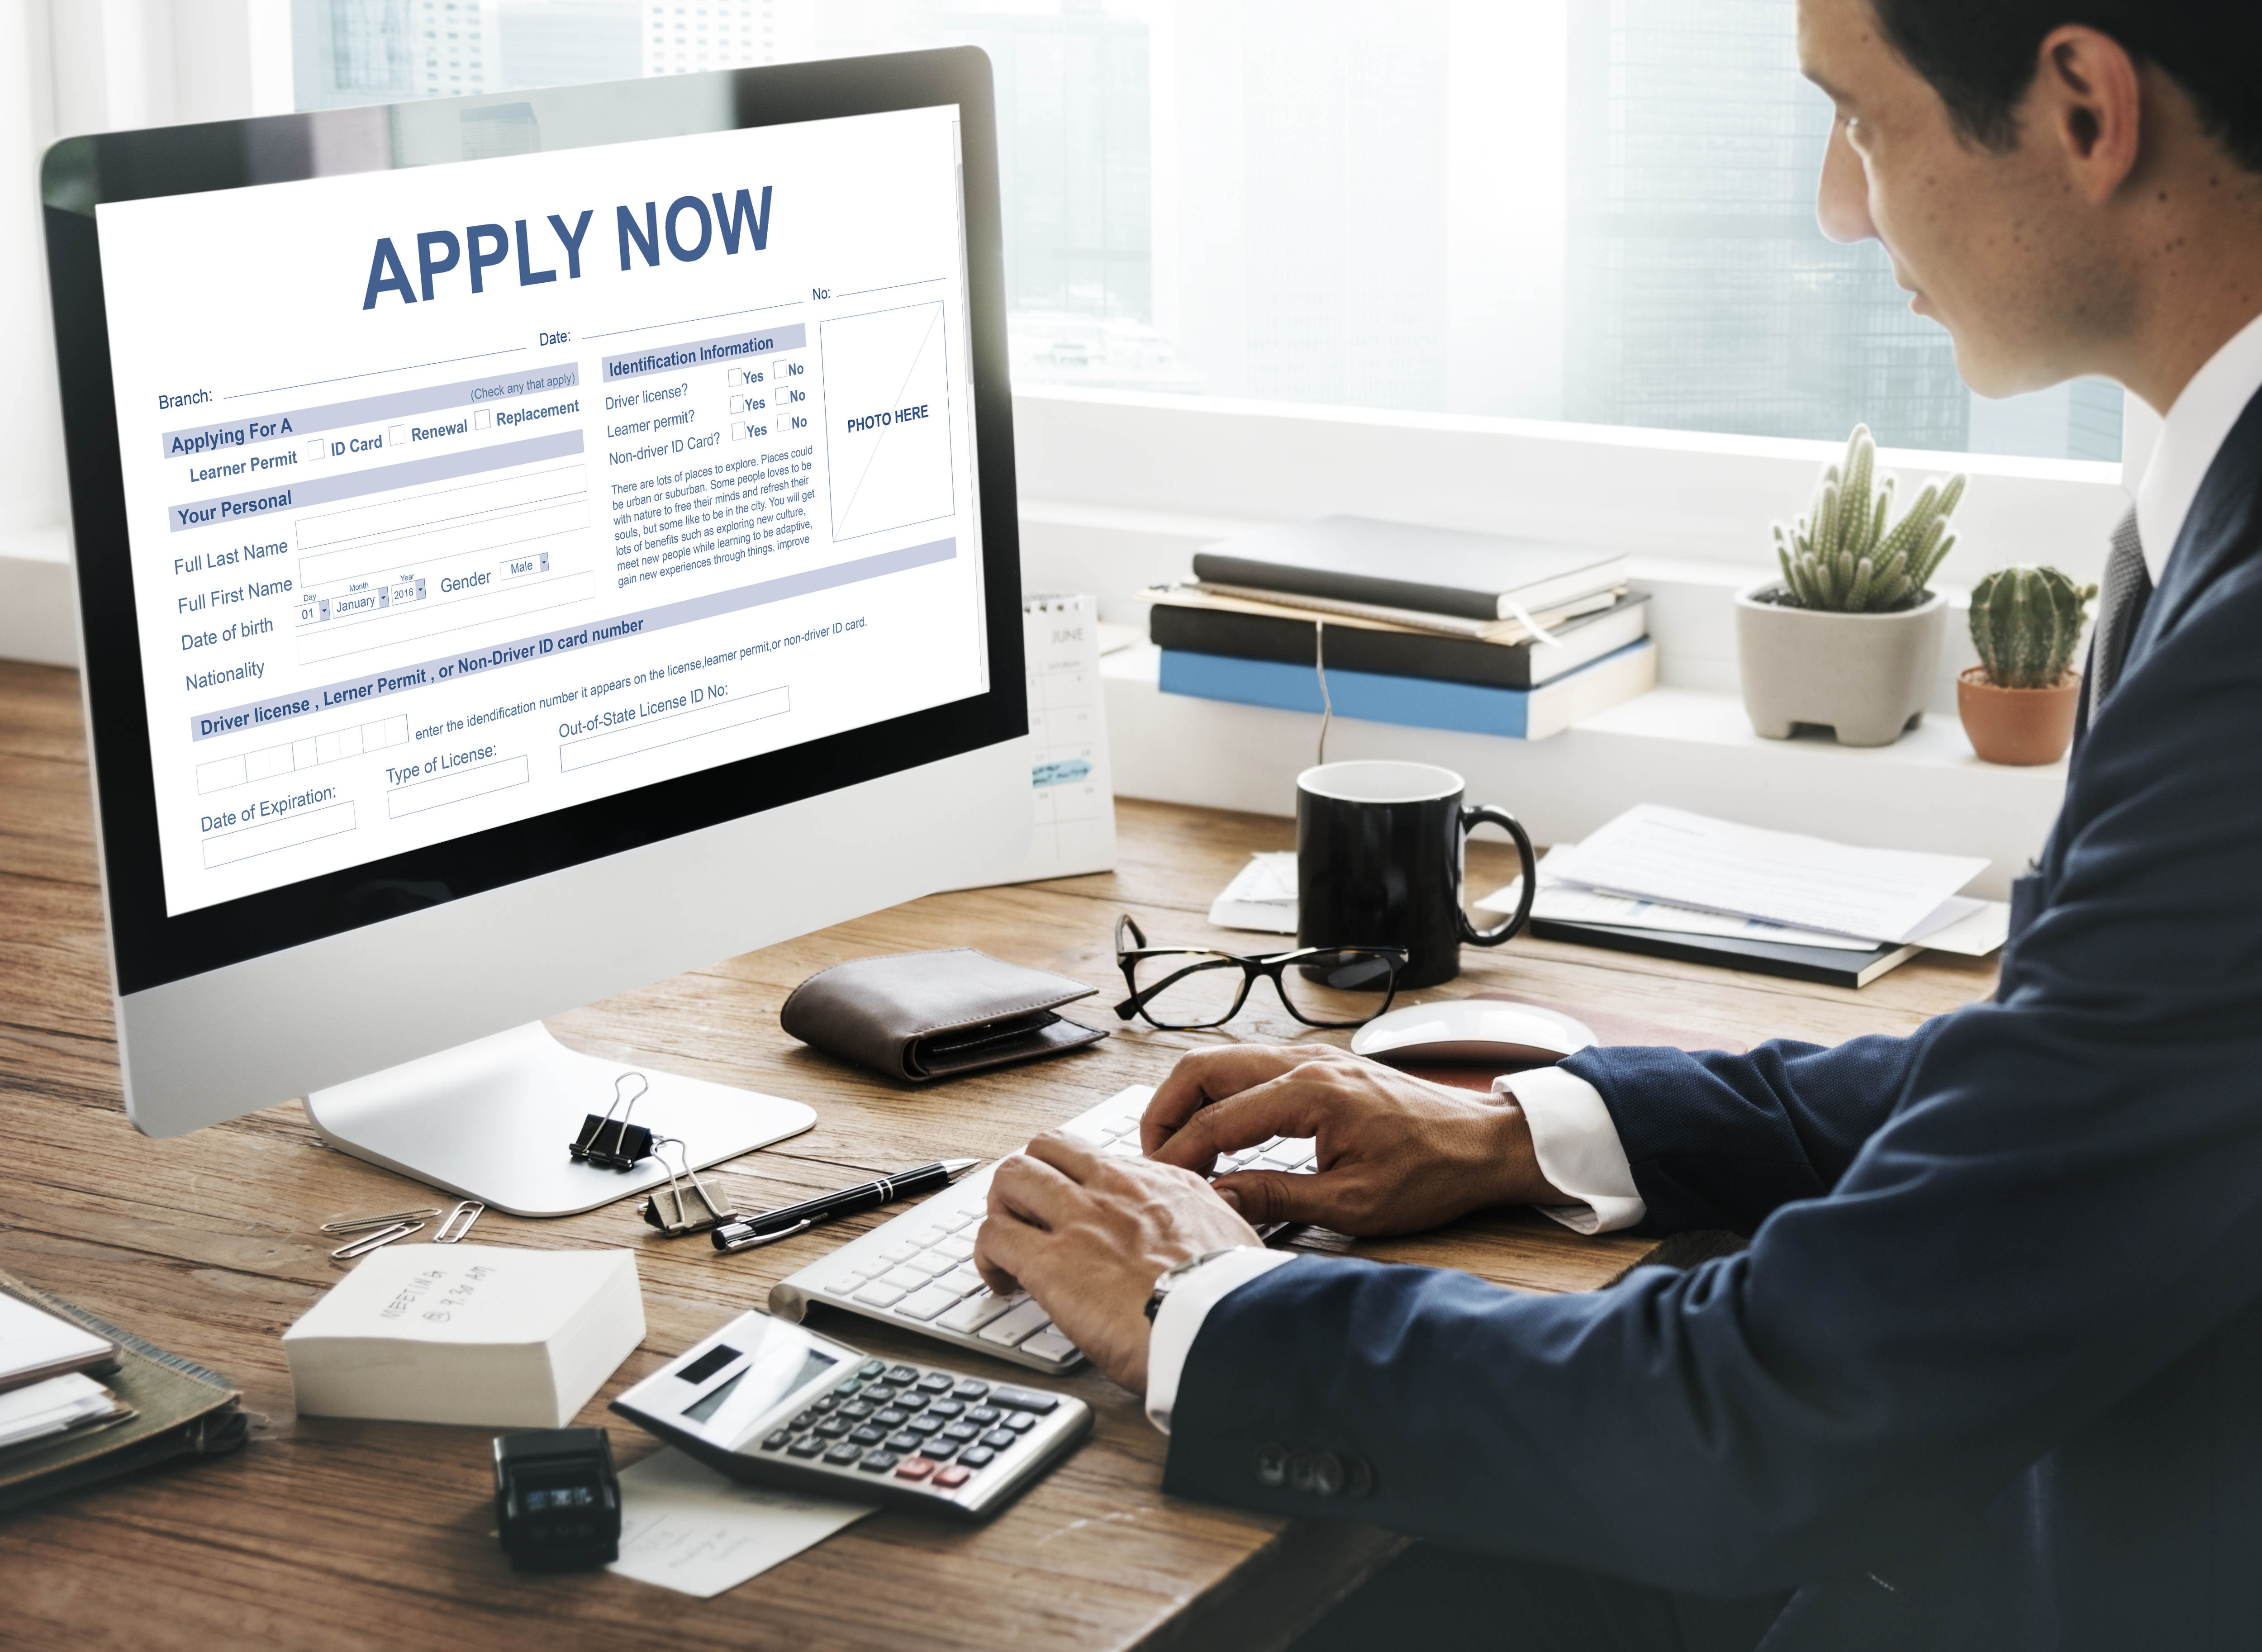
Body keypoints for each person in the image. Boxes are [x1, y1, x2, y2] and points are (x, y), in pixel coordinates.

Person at [971, 1, 2262, 1646]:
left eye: (1858, 118)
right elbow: (2079, 1073)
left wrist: (1204, 1305)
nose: (1837, 205)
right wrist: (1537, 1130)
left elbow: (1778, 1416)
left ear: (2084, 108)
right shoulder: (2210, 493)